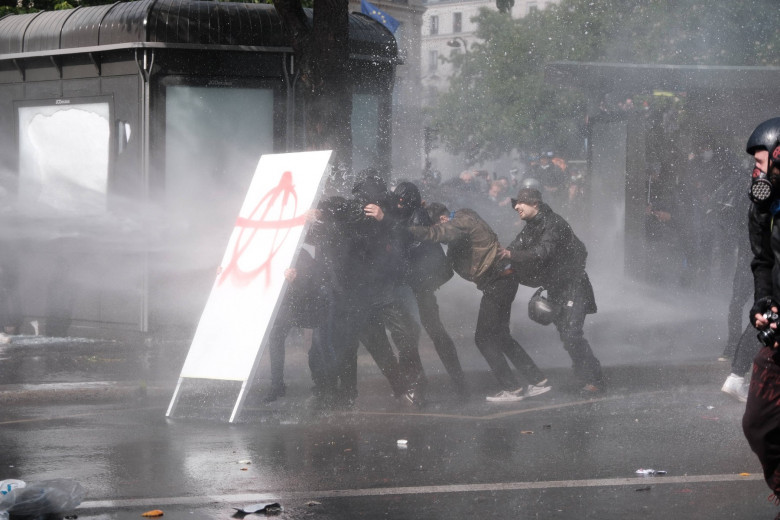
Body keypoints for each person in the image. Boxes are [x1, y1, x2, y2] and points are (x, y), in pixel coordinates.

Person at [408, 201, 550, 403]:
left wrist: (402, 230)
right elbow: (447, 266)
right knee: (501, 336)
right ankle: (538, 381)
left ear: (442, 219)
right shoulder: (462, 222)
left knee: (483, 338)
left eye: (436, 225)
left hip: (498, 281)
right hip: (502, 280)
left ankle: (513, 388)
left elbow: (439, 233)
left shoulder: (462, 221)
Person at [503, 188, 605, 393]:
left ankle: (594, 378)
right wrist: (504, 260)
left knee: (572, 334)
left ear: (535, 204)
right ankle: (583, 374)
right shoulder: (531, 227)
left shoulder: (553, 223)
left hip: (574, 286)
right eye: (515, 203)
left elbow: (542, 252)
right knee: (566, 335)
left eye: (520, 203)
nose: (516, 207)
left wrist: (510, 255)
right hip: (557, 288)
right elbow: (515, 247)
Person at [393, 181, 469, 399]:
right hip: (417, 285)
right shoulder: (411, 213)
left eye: (401, 200)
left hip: (419, 286)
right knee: (421, 333)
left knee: (423, 333)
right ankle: (452, 383)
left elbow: (417, 248)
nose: (398, 204)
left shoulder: (417, 216)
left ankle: (422, 387)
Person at [741, 117, 780, 505]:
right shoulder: (763, 206)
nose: (756, 170)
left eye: (762, 161)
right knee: (759, 424)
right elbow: (762, 260)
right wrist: (763, 302)